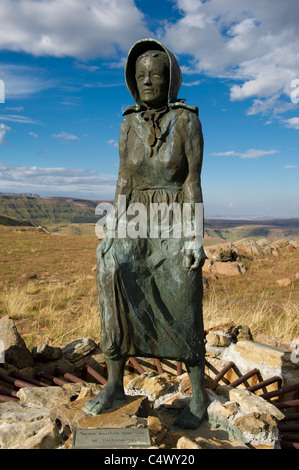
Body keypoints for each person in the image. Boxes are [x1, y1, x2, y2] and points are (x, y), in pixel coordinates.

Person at [83, 38, 208, 429]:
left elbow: (191, 181)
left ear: (170, 78)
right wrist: (113, 229)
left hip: (174, 217)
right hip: (135, 217)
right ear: (132, 82)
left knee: (184, 294)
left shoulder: (186, 120)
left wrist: (195, 237)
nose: (148, 81)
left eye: (156, 74)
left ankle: (199, 396)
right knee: (112, 272)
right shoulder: (127, 123)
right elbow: (123, 179)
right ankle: (115, 384)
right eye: (140, 75)